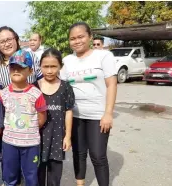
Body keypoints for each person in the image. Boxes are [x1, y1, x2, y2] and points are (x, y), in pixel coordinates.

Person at [60, 22, 117, 186]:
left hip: (97, 114)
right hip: (75, 114)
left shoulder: (103, 56)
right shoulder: (67, 60)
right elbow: (60, 86)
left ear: (90, 37)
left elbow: (111, 84)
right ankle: (80, 184)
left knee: (98, 155)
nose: (76, 41)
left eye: (80, 37)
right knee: (78, 153)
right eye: (72, 38)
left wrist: (108, 113)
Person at [0, 49, 47, 186]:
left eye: (21, 67)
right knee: (9, 176)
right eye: (13, 67)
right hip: (9, 143)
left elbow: (41, 117)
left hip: (30, 144)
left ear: (30, 71)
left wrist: (29, 129)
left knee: (31, 176)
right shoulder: (4, 93)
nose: (16, 70)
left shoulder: (36, 94)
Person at [34, 48, 75, 186]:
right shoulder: (34, 87)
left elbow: (68, 111)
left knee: (54, 178)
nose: (49, 70)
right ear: (40, 66)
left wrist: (68, 136)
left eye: (53, 66)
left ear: (60, 67)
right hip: (36, 139)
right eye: (46, 66)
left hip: (57, 138)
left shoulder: (66, 87)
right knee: (37, 176)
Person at [0, 26, 43, 96]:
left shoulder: (31, 56)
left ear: (16, 39)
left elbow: (42, 81)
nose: (6, 44)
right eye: (2, 42)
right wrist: (14, 96)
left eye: (9, 40)